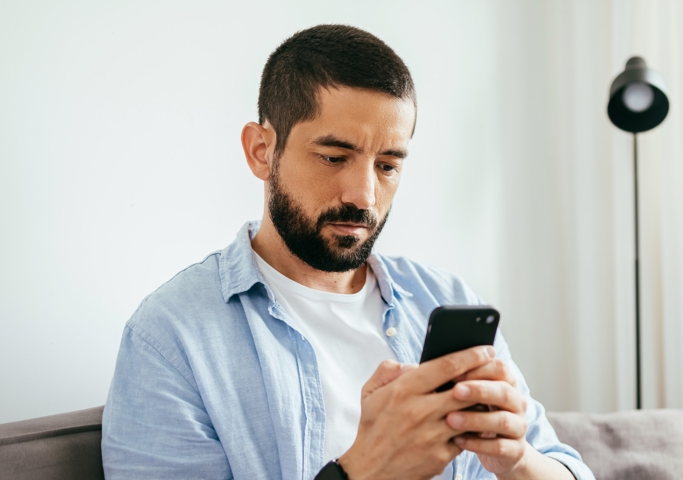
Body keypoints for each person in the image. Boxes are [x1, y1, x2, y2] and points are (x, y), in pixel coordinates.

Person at [101, 24, 593, 480]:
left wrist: (517, 460)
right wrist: (364, 470)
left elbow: (564, 467)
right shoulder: (171, 338)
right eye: (334, 157)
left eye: (387, 166)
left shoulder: (443, 298)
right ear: (260, 151)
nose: (364, 196)